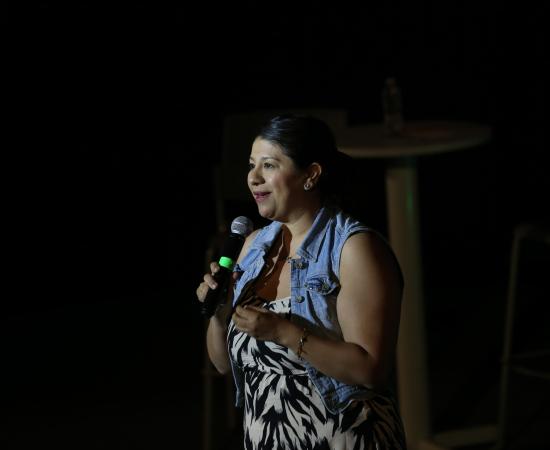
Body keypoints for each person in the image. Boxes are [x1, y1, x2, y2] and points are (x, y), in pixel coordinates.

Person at [196, 114, 407, 449]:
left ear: (311, 175)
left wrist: (284, 332)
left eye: (268, 165)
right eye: (251, 165)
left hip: (341, 437)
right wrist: (220, 314)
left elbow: (370, 370)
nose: (253, 177)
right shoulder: (250, 248)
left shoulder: (353, 249)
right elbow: (222, 364)